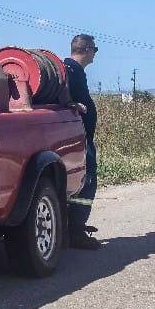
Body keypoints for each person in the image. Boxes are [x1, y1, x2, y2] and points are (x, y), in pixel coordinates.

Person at [64, 34, 101, 249]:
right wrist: (72, 105)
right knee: (86, 181)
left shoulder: (72, 70)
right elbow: (61, 97)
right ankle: (75, 231)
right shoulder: (71, 71)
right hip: (79, 139)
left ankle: (71, 228)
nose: (95, 54)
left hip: (80, 136)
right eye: (94, 50)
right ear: (87, 49)